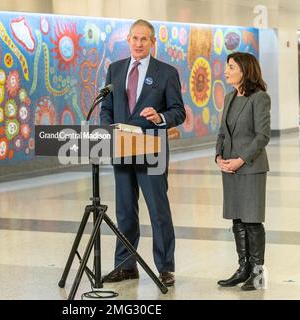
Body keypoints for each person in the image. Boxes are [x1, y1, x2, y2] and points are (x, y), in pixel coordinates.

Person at [100, 19, 186, 287]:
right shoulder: (114, 70)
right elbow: (106, 107)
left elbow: (178, 111)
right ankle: (125, 266)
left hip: (152, 150)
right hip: (122, 149)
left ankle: (165, 267)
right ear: (128, 39)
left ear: (152, 42)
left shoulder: (166, 72)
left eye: (144, 39)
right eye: (134, 38)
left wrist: (160, 116)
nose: (138, 44)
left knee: (158, 210)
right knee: (125, 210)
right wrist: (106, 129)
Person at [215, 52, 271, 291]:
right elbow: (222, 132)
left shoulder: (259, 98)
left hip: (250, 167)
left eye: (230, 67)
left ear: (245, 71)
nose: (226, 71)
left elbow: (262, 136)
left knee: (252, 219)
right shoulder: (229, 97)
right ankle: (243, 269)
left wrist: (240, 159)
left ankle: (257, 274)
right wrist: (218, 157)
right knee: (237, 217)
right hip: (229, 168)